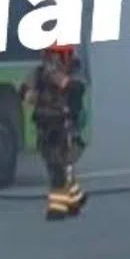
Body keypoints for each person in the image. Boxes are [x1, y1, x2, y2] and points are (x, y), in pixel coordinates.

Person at [20, 42, 88, 221]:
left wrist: (67, 87)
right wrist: (29, 95)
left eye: (57, 56)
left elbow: (76, 89)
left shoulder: (73, 74)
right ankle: (75, 198)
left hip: (61, 123)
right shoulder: (38, 74)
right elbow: (26, 93)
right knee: (57, 163)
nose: (52, 60)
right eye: (50, 56)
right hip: (44, 123)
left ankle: (57, 207)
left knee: (58, 165)